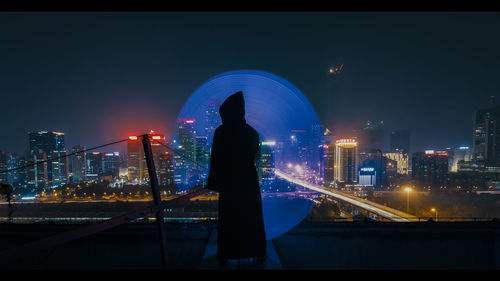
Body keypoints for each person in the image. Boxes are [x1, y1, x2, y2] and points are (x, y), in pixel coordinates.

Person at [206, 91, 266, 262]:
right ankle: (256, 250)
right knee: (251, 217)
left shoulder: (221, 132)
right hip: (248, 181)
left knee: (230, 219)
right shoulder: (252, 133)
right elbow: (255, 157)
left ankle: (228, 251)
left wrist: (214, 183)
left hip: (230, 183)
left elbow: (216, 159)